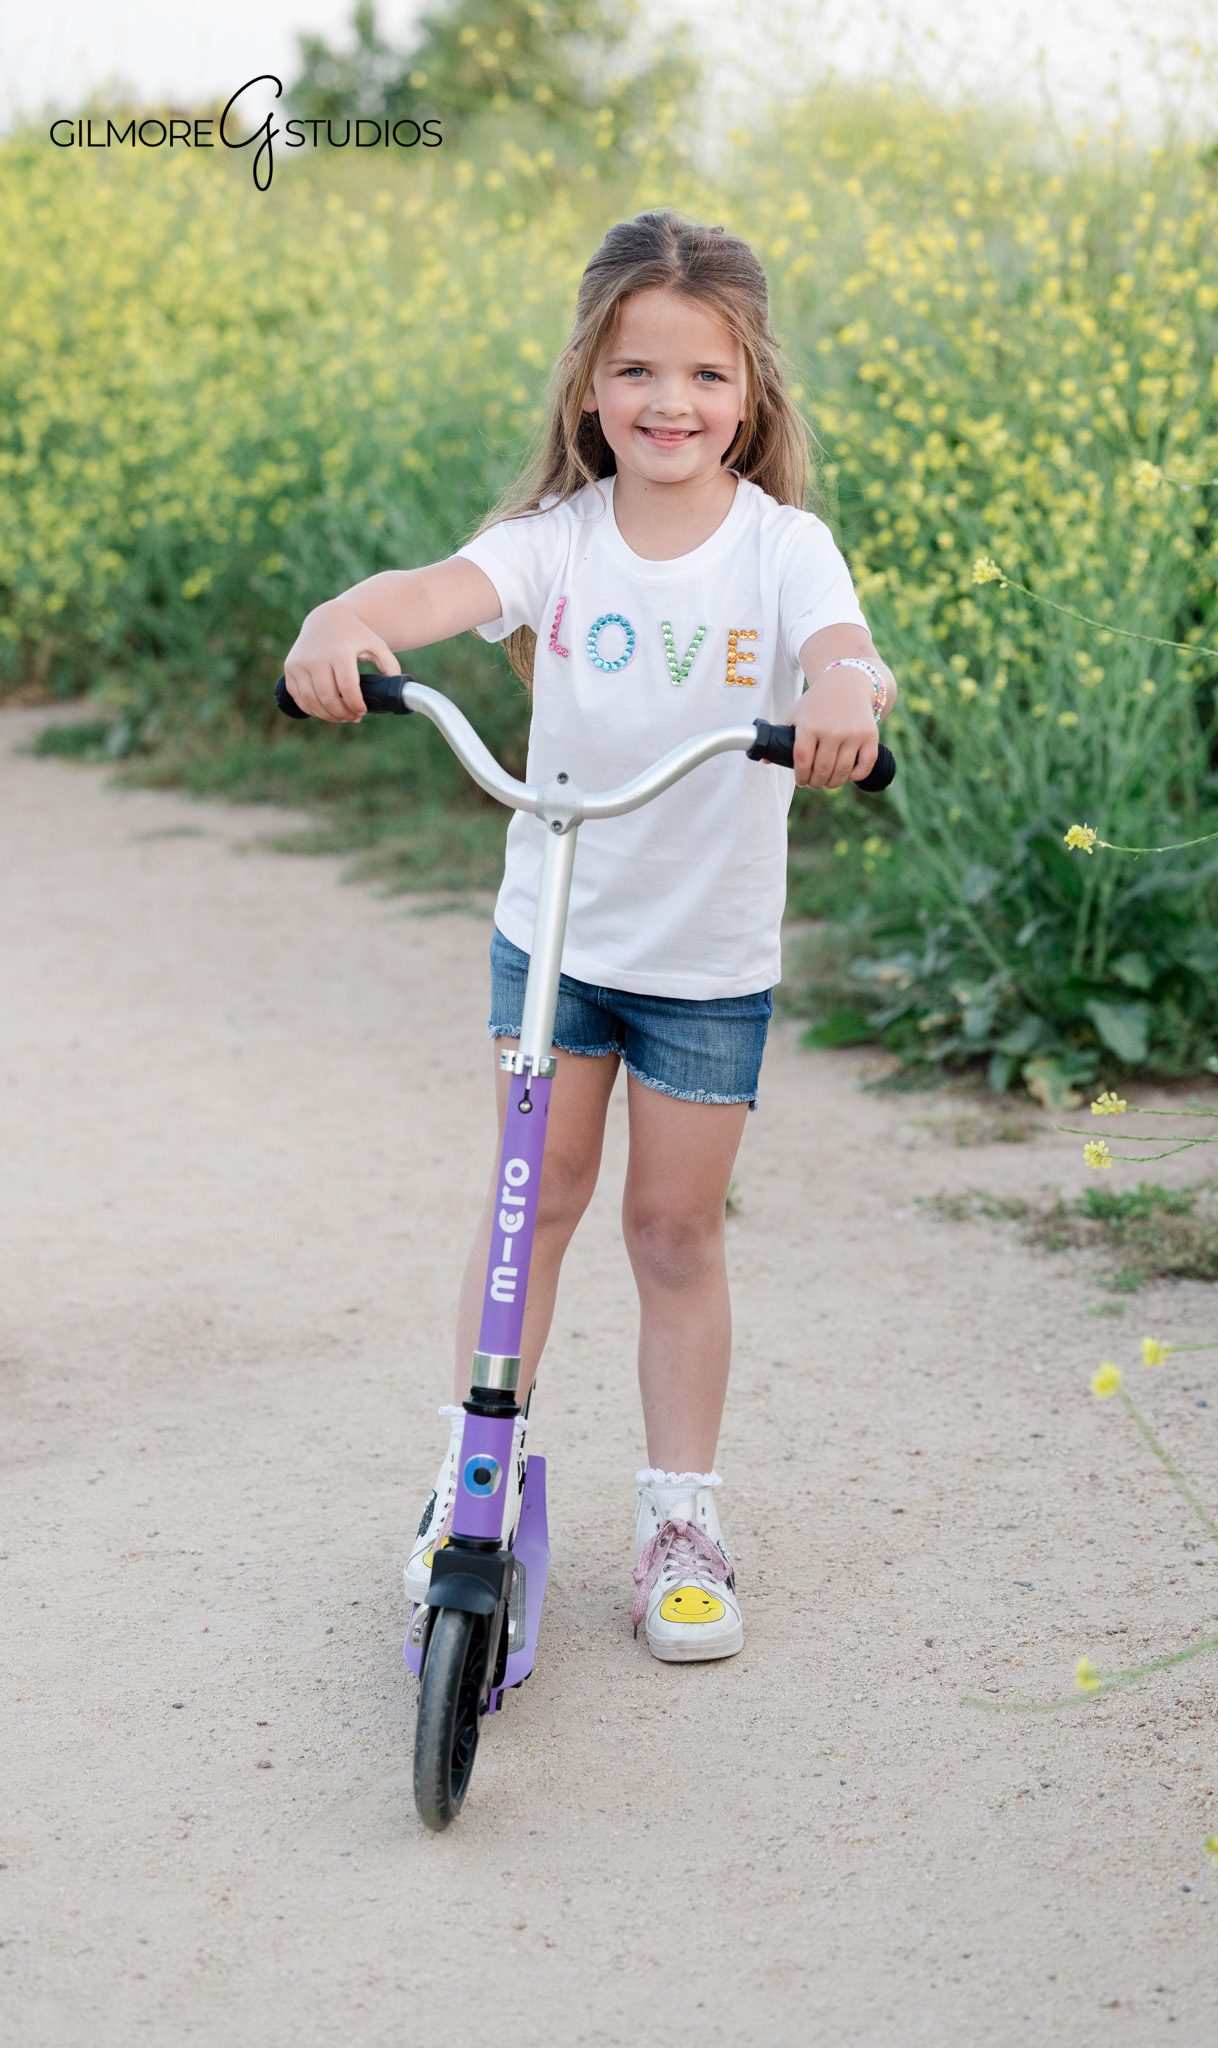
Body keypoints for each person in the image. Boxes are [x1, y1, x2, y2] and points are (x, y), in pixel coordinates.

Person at [281, 207, 897, 1663]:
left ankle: (681, 1509)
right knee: (527, 1205)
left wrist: (847, 697)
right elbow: (431, 595)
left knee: (671, 1231)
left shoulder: (781, 548)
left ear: (748, 397)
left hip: (704, 969)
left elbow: (839, 645)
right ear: (588, 390)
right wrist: (341, 617)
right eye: (635, 373)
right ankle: (472, 1479)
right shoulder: (553, 545)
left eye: (701, 376)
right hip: (553, 942)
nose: (667, 403)